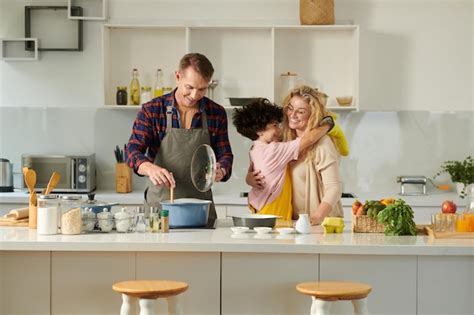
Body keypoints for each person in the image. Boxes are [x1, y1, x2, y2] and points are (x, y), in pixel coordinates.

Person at [126, 53, 233, 228]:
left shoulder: (216, 113)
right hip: (160, 211)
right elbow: (131, 152)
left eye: (202, 89)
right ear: (178, 77)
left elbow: (225, 155)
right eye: (189, 87)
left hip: (201, 211)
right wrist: (150, 168)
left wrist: (221, 169)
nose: (194, 95)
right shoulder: (152, 110)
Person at [247, 86, 344, 225]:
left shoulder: (322, 143)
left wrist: (317, 217)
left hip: (320, 223)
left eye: (301, 111)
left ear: (313, 114)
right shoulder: (283, 141)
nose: (292, 115)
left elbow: (334, 188)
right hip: (292, 223)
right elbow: (259, 159)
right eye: (290, 108)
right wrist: (249, 177)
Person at [232, 98, 332, 221]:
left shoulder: (254, 149)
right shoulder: (273, 151)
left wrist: (248, 178)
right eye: (274, 126)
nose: (279, 130)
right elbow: (309, 139)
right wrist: (327, 124)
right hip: (274, 210)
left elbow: (254, 171)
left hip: (262, 208)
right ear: (259, 131)